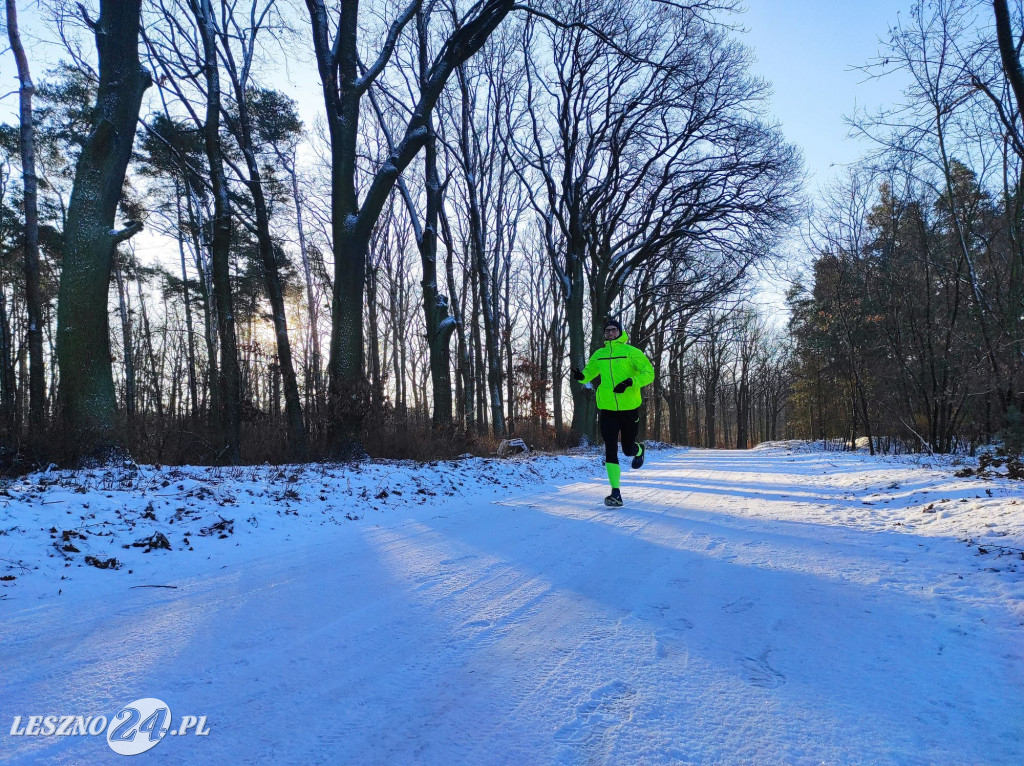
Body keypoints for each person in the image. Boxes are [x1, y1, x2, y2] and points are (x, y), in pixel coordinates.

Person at [572, 318, 655, 507]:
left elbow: (649, 373)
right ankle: (615, 493)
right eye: (607, 330)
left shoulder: (631, 352)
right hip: (607, 408)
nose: (610, 333)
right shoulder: (599, 354)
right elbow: (589, 372)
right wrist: (581, 377)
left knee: (627, 449)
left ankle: (639, 449)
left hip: (629, 407)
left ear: (620, 332)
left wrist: (629, 382)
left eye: (613, 330)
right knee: (610, 446)